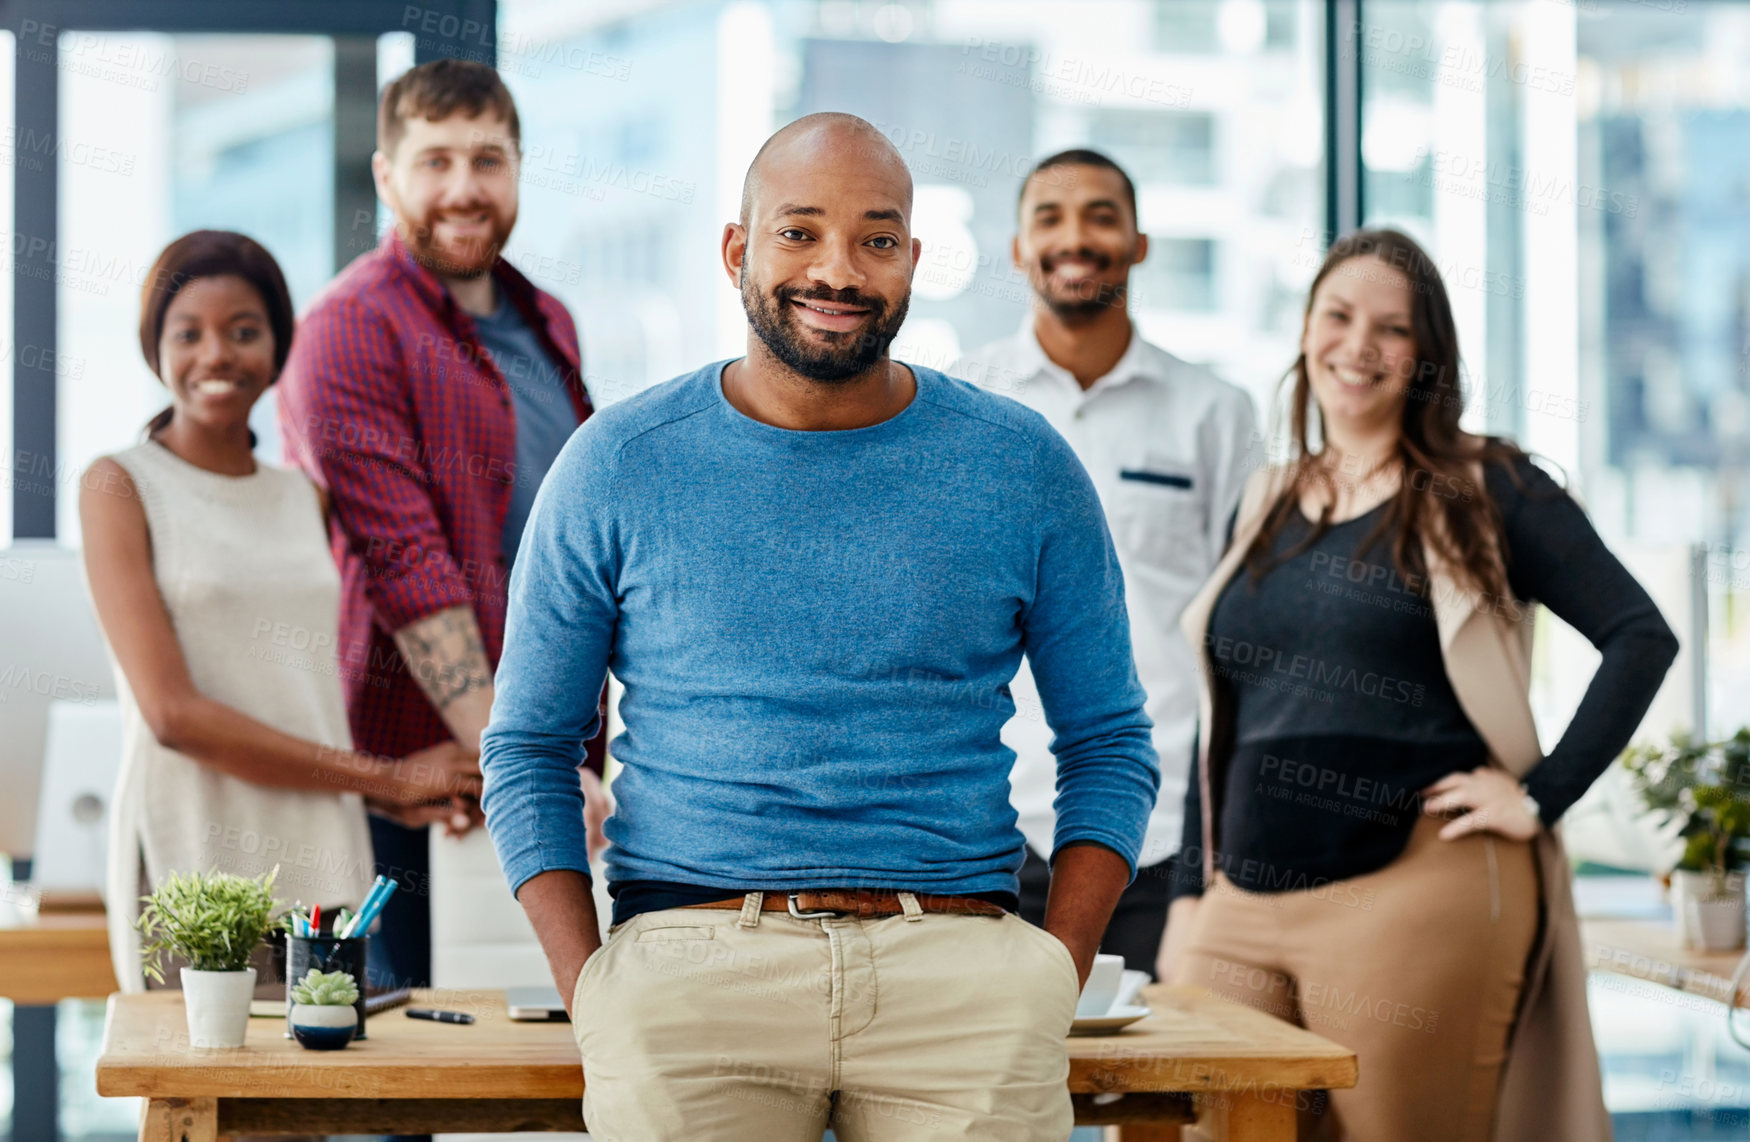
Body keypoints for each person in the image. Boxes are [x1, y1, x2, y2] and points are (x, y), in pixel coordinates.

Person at [479, 112, 1159, 1141]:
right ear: (736, 249)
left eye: (876, 239)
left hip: (964, 969)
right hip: (688, 969)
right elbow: (527, 745)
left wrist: (1050, 974)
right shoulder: (616, 462)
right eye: (798, 232)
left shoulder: (1020, 464)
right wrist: (596, 992)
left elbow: (1109, 741)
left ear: (913, 262)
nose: (836, 269)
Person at [1160, 228, 1679, 1141]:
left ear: (1428, 355)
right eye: (1339, 315)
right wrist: (1189, 895)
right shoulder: (1266, 496)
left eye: (1392, 329)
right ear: (1307, 331)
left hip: (1414, 895)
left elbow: (1641, 637)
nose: (1358, 346)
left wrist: (1541, 794)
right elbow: (1224, 707)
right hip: (1235, 905)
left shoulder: (1488, 485)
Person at [278, 59, 606, 990]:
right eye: (435, 162)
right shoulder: (348, 327)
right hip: (419, 777)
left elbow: (575, 550)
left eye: (489, 160)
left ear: (518, 168)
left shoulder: (550, 322)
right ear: (387, 176)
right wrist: (516, 766)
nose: (464, 188)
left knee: (557, 1061)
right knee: (401, 1072)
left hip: (553, 762)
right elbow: (407, 564)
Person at [81, 230, 476, 992]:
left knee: (311, 1108)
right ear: (152, 348)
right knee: (197, 1109)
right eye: (187, 333)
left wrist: (401, 788)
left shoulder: (304, 496)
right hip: (193, 871)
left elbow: (302, 691)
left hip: (321, 868)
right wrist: (388, 780)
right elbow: (174, 716)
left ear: (276, 345)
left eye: (243, 331)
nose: (217, 354)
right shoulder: (118, 485)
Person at [953, 149, 1256, 977]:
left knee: (1159, 1089)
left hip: (1161, 824)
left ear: (1139, 242)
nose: (1074, 237)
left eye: (1100, 214)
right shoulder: (959, 402)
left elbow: (1243, 629)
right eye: (1048, 217)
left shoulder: (1215, 415)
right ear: (1018, 247)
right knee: (984, 1084)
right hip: (986, 823)